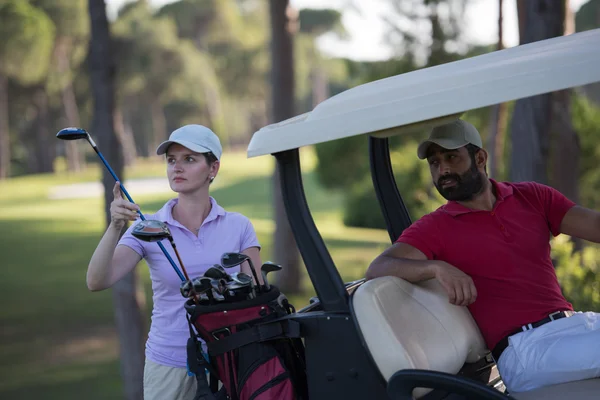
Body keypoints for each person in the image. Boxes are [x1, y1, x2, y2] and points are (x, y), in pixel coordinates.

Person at [365, 119, 600, 393]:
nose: (443, 170)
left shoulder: (531, 197)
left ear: (480, 157)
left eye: (451, 157)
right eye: (434, 162)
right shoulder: (435, 227)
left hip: (572, 327)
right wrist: (436, 268)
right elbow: (379, 267)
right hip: (525, 350)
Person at [86, 124, 262, 400]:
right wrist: (115, 226)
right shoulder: (148, 227)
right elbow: (97, 281)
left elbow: (257, 299)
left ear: (213, 169)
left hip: (230, 359)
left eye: (189, 159)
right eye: (171, 160)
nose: (176, 168)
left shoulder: (239, 226)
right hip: (169, 364)